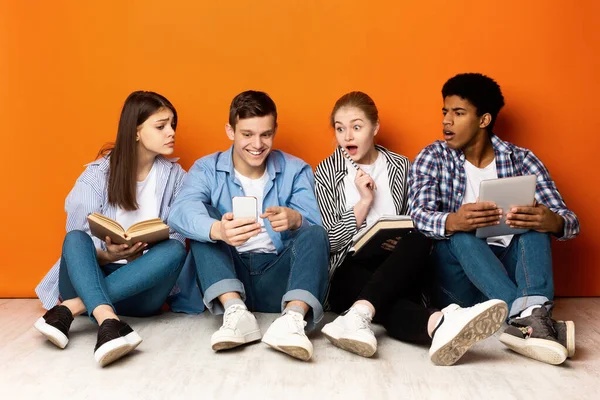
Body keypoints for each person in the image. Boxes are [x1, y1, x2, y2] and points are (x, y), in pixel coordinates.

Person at [314, 91, 507, 365]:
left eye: (357, 127)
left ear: (375, 127)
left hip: (399, 266)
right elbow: (330, 242)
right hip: (349, 271)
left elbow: (417, 219)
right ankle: (440, 322)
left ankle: (358, 315)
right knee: (386, 299)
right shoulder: (325, 172)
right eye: (340, 128)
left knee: (417, 238)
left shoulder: (401, 166)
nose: (347, 137)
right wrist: (364, 202)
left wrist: (399, 237)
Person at [409, 73, 580, 365]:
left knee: (533, 227)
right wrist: (454, 221)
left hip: (511, 274)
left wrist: (551, 221)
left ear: (484, 120)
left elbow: (570, 221)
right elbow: (417, 215)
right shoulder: (433, 156)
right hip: (457, 282)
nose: (447, 121)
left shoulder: (522, 159)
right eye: (445, 112)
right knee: (462, 235)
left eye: (458, 113)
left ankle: (525, 317)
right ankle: (531, 318)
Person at [168, 90, 329, 361]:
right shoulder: (207, 168)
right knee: (204, 222)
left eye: (266, 134)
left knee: (314, 231)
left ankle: (293, 321)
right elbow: (180, 212)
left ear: (274, 131)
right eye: (247, 134)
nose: (257, 144)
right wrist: (218, 229)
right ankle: (235, 312)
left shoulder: (296, 169)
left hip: (280, 280)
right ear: (230, 131)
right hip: (227, 277)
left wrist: (296, 220)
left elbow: (317, 230)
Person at [34, 91, 187, 367]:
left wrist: (140, 259)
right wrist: (108, 256)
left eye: (173, 125)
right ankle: (108, 321)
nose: (171, 132)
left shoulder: (177, 178)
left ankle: (70, 309)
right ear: (136, 131)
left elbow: (176, 236)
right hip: (89, 277)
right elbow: (76, 246)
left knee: (176, 248)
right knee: (76, 237)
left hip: (141, 292)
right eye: (161, 126)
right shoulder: (97, 173)